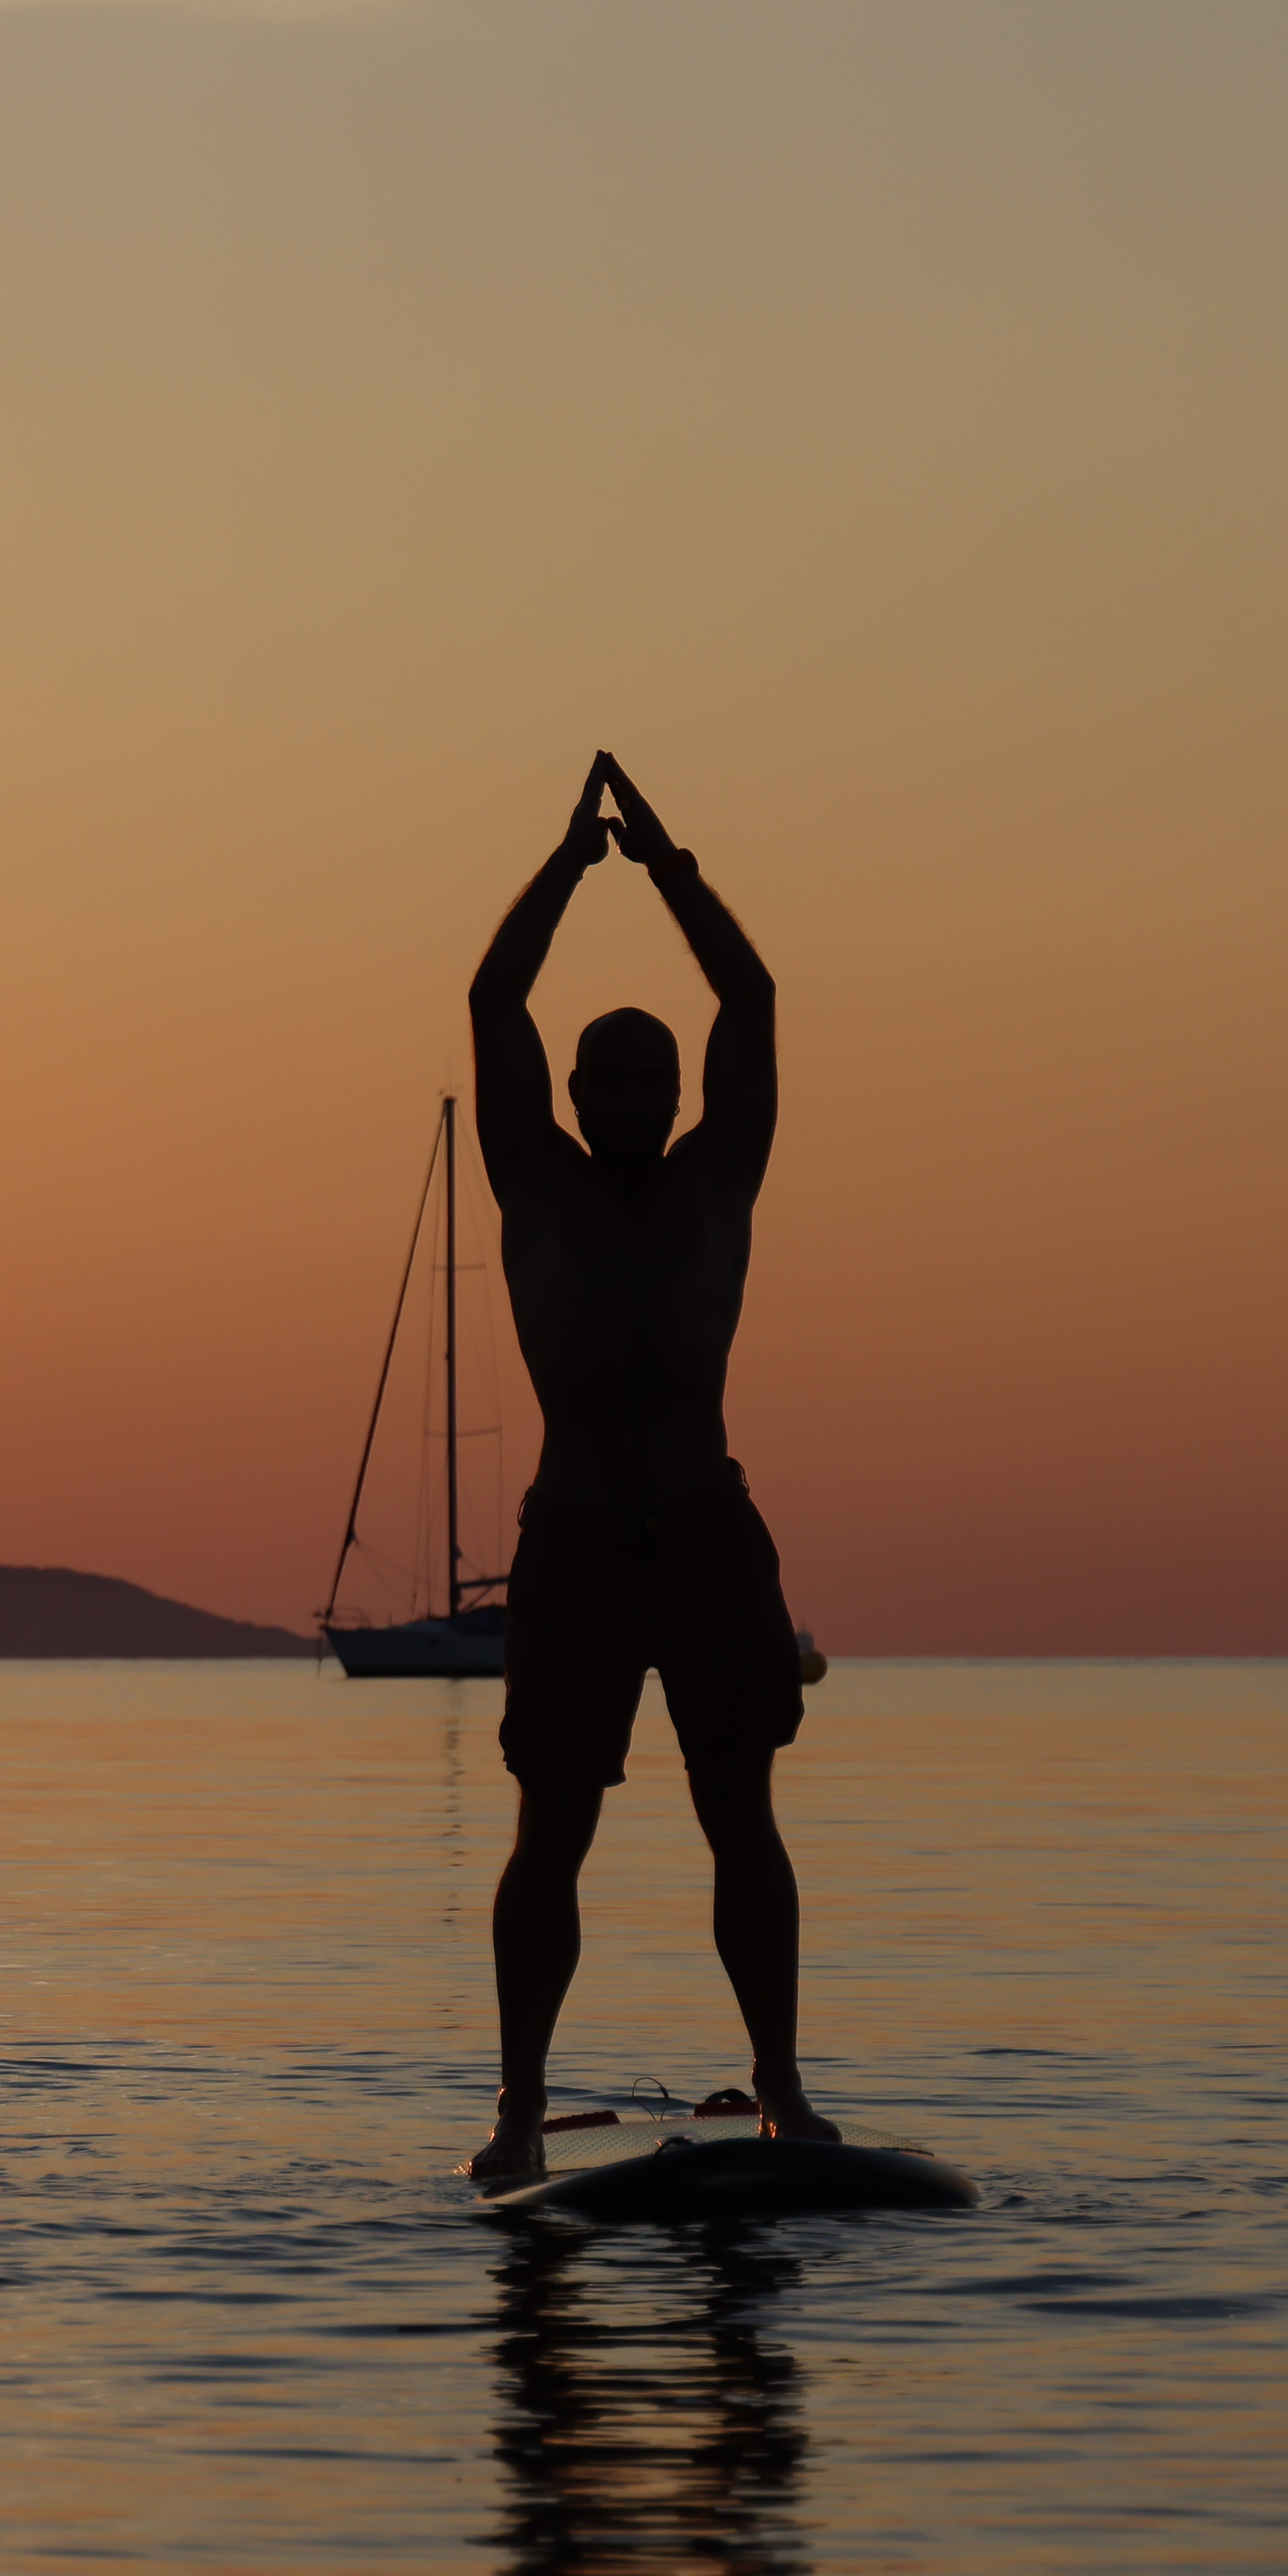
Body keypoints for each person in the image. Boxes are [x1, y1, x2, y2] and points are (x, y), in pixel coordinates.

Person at [463, 758, 823, 2183]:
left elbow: (756, 1002)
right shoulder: (531, 1180)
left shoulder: (718, 1175)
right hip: (576, 1541)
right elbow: (493, 1001)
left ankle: (785, 2084)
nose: (621, 1094)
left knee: (743, 1814)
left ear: (675, 1092)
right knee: (551, 1828)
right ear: (573, 1088)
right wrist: (564, 864)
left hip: (703, 1530)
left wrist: (670, 867)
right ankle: (516, 2107)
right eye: (602, 1076)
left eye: (643, 1077)